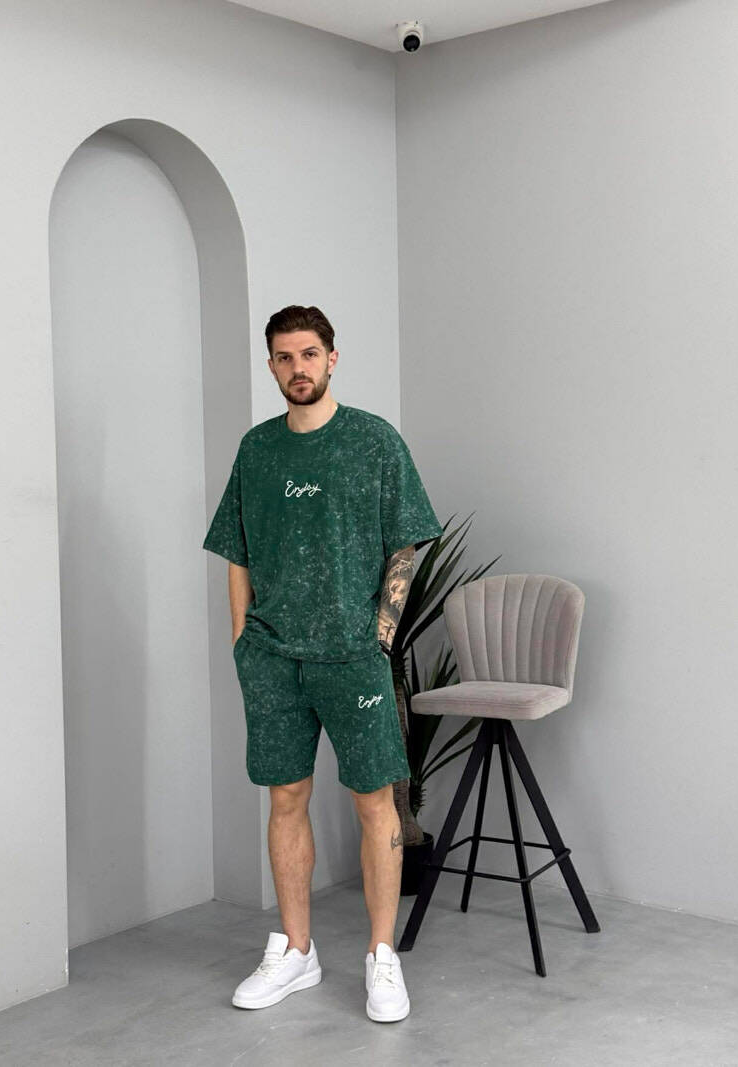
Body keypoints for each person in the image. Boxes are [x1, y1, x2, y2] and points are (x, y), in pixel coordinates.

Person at [202, 305, 443, 1023]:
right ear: (271, 365)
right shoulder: (257, 449)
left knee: (375, 802)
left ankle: (381, 955)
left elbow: (406, 541)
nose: (297, 367)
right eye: (284, 357)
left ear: (332, 358)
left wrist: (381, 633)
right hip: (273, 657)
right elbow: (237, 550)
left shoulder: (373, 440)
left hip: (352, 656)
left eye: (309, 354)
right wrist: (242, 640)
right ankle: (296, 950)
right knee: (285, 798)